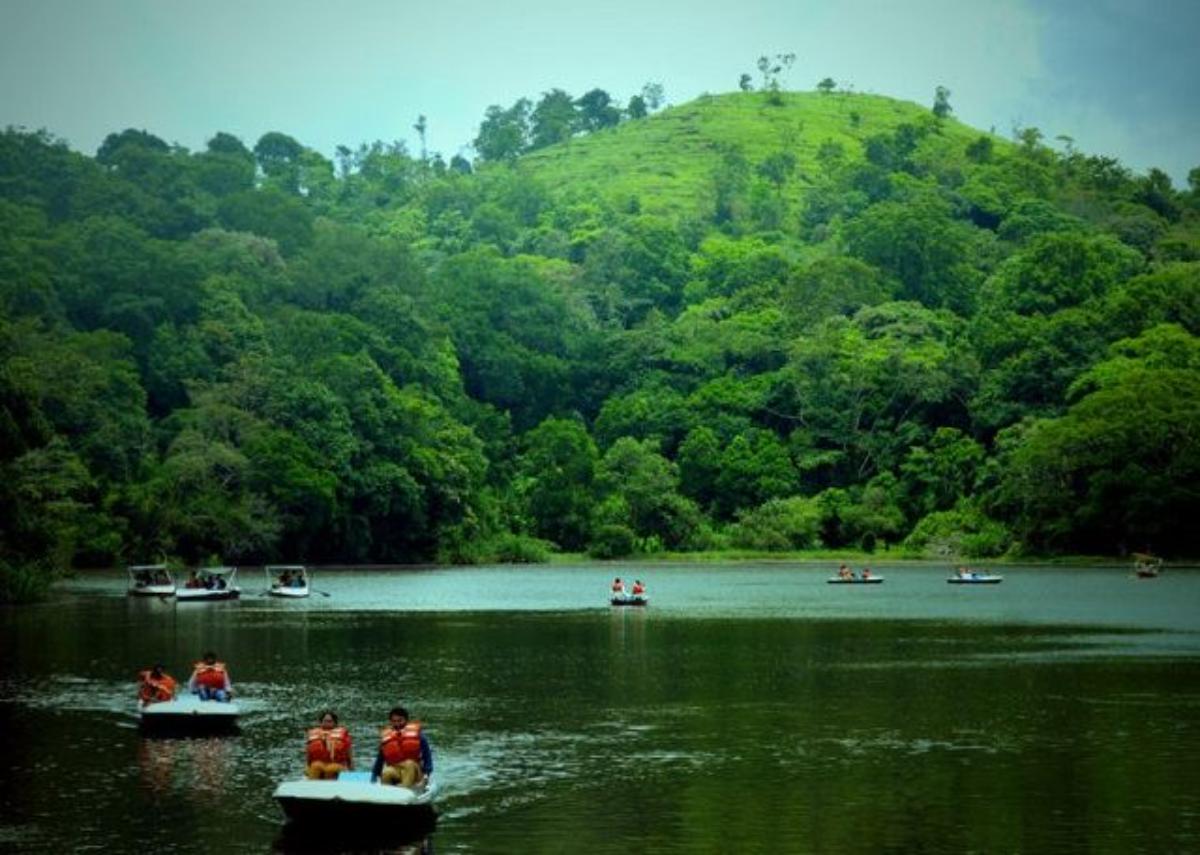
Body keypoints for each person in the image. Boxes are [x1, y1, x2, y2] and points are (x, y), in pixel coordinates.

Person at [372, 706, 432, 788]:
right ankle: (387, 794)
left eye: (400, 721)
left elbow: (427, 756)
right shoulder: (387, 739)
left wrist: (426, 775)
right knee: (387, 772)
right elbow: (380, 760)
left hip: (415, 772)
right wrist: (374, 775)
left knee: (409, 764)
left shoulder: (419, 737)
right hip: (397, 770)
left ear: (406, 720)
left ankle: (405, 790)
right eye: (394, 721)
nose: (397, 724)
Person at [306, 710, 353, 780]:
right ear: (321, 722)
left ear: (335, 723)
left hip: (337, 764)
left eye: (330, 721)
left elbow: (349, 754)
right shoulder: (313, 734)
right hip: (319, 764)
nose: (327, 723)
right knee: (315, 766)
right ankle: (313, 787)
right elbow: (308, 755)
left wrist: (351, 769)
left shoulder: (343, 735)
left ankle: (330, 788)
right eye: (325, 721)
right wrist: (307, 767)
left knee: (331, 769)